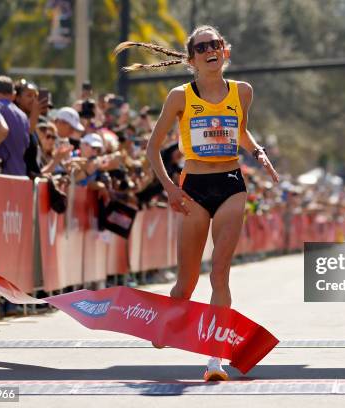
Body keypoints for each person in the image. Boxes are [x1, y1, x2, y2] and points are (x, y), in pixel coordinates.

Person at [115, 25, 279, 381]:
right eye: (202, 47)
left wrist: (259, 153)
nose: (210, 50)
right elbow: (152, 148)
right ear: (192, 60)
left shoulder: (243, 92)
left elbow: (241, 130)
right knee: (185, 284)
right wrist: (171, 188)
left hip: (232, 182)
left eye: (215, 44)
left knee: (220, 272)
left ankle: (214, 361)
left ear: (225, 52)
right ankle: (167, 322)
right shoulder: (180, 97)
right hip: (193, 186)